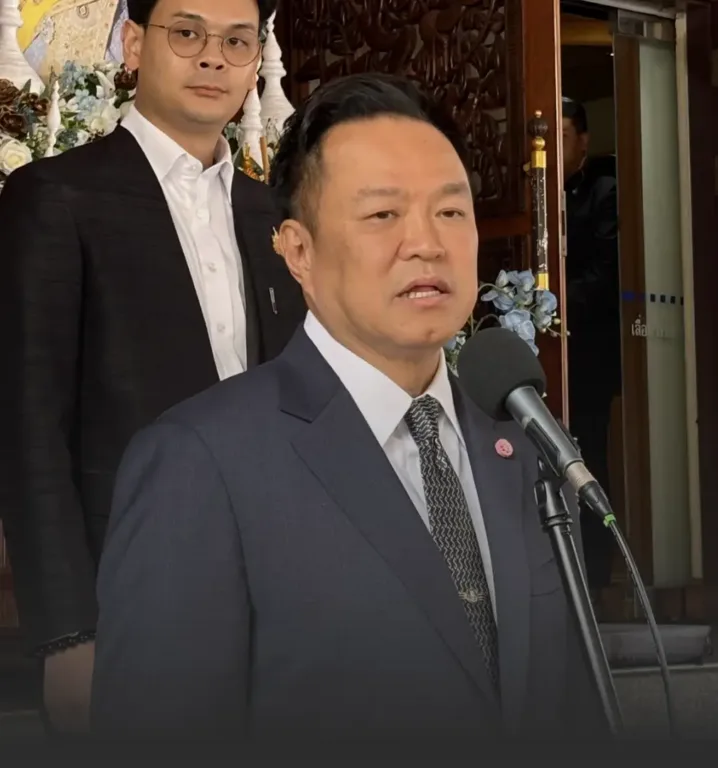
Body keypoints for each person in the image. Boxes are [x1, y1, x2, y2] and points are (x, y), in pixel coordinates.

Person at [90, 72, 605, 742]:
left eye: (450, 212)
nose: (426, 243)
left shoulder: (519, 446)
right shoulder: (202, 461)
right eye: (382, 215)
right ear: (298, 251)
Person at [0, 0, 303, 735]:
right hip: (131, 590)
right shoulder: (57, 196)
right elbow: (27, 427)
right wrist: (67, 632)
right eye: (188, 33)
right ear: (134, 44)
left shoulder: (273, 215)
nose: (213, 59)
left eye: (237, 42)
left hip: (279, 594)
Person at [561, 97, 622, 591]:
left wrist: (551, 302)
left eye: (562, 136)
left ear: (582, 140)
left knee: (588, 457)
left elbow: (606, 273)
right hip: (538, 355)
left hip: (589, 355)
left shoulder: (604, 192)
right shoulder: (530, 192)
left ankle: (597, 575)